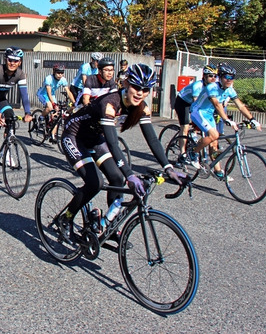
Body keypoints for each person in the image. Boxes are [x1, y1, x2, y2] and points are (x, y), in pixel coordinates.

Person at [58, 64, 183, 244]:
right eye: (136, 87)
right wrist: (131, 174)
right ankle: (66, 218)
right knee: (95, 183)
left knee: (117, 179)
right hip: (75, 136)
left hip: (95, 138)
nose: (140, 93)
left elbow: (153, 140)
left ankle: (110, 226)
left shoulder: (141, 107)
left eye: (146, 89)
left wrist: (169, 167)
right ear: (125, 84)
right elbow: (113, 143)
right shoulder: (110, 103)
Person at [189, 63, 261, 178]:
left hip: (208, 114)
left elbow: (240, 106)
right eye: (227, 77)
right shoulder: (211, 87)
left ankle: (218, 172)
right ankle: (193, 152)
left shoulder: (230, 90)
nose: (229, 80)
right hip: (198, 112)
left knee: (214, 143)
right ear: (220, 77)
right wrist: (227, 119)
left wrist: (253, 119)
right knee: (214, 134)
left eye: (232, 78)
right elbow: (217, 104)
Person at [173, 64, 218, 164]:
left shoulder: (214, 87)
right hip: (183, 102)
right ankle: (183, 154)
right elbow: (196, 104)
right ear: (204, 76)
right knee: (185, 127)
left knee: (199, 126)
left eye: (215, 76)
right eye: (211, 76)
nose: (213, 78)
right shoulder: (198, 85)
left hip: (194, 105)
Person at [36, 64, 76, 141]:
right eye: (58, 73)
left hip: (52, 95)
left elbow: (68, 92)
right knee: (50, 107)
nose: (60, 75)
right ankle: (41, 118)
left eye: (61, 73)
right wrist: (53, 104)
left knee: (57, 115)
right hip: (43, 94)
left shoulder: (63, 80)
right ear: (54, 72)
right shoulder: (49, 79)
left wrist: (74, 102)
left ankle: (52, 135)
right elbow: (49, 92)